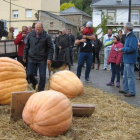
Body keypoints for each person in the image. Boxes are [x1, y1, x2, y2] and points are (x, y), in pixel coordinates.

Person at [23, 22, 54, 91]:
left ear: (42, 28)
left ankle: (40, 90)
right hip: (31, 58)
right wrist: (24, 56)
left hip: (42, 59)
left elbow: (50, 48)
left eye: (39, 29)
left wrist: (49, 58)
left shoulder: (47, 36)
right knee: (29, 74)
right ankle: (34, 82)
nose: (37, 31)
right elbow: (27, 46)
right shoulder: (30, 35)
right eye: (36, 29)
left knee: (42, 76)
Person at [118, 22, 138, 97]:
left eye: (124, 27)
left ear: (126, 28)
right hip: (127, 59)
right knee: (125, 75)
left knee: (130, 76)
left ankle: (132, 91)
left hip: (130, 59)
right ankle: (125, 89)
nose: (123, 29)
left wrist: (123, 49)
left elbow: (132, 48)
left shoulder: (132, 36)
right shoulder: (128, 36)